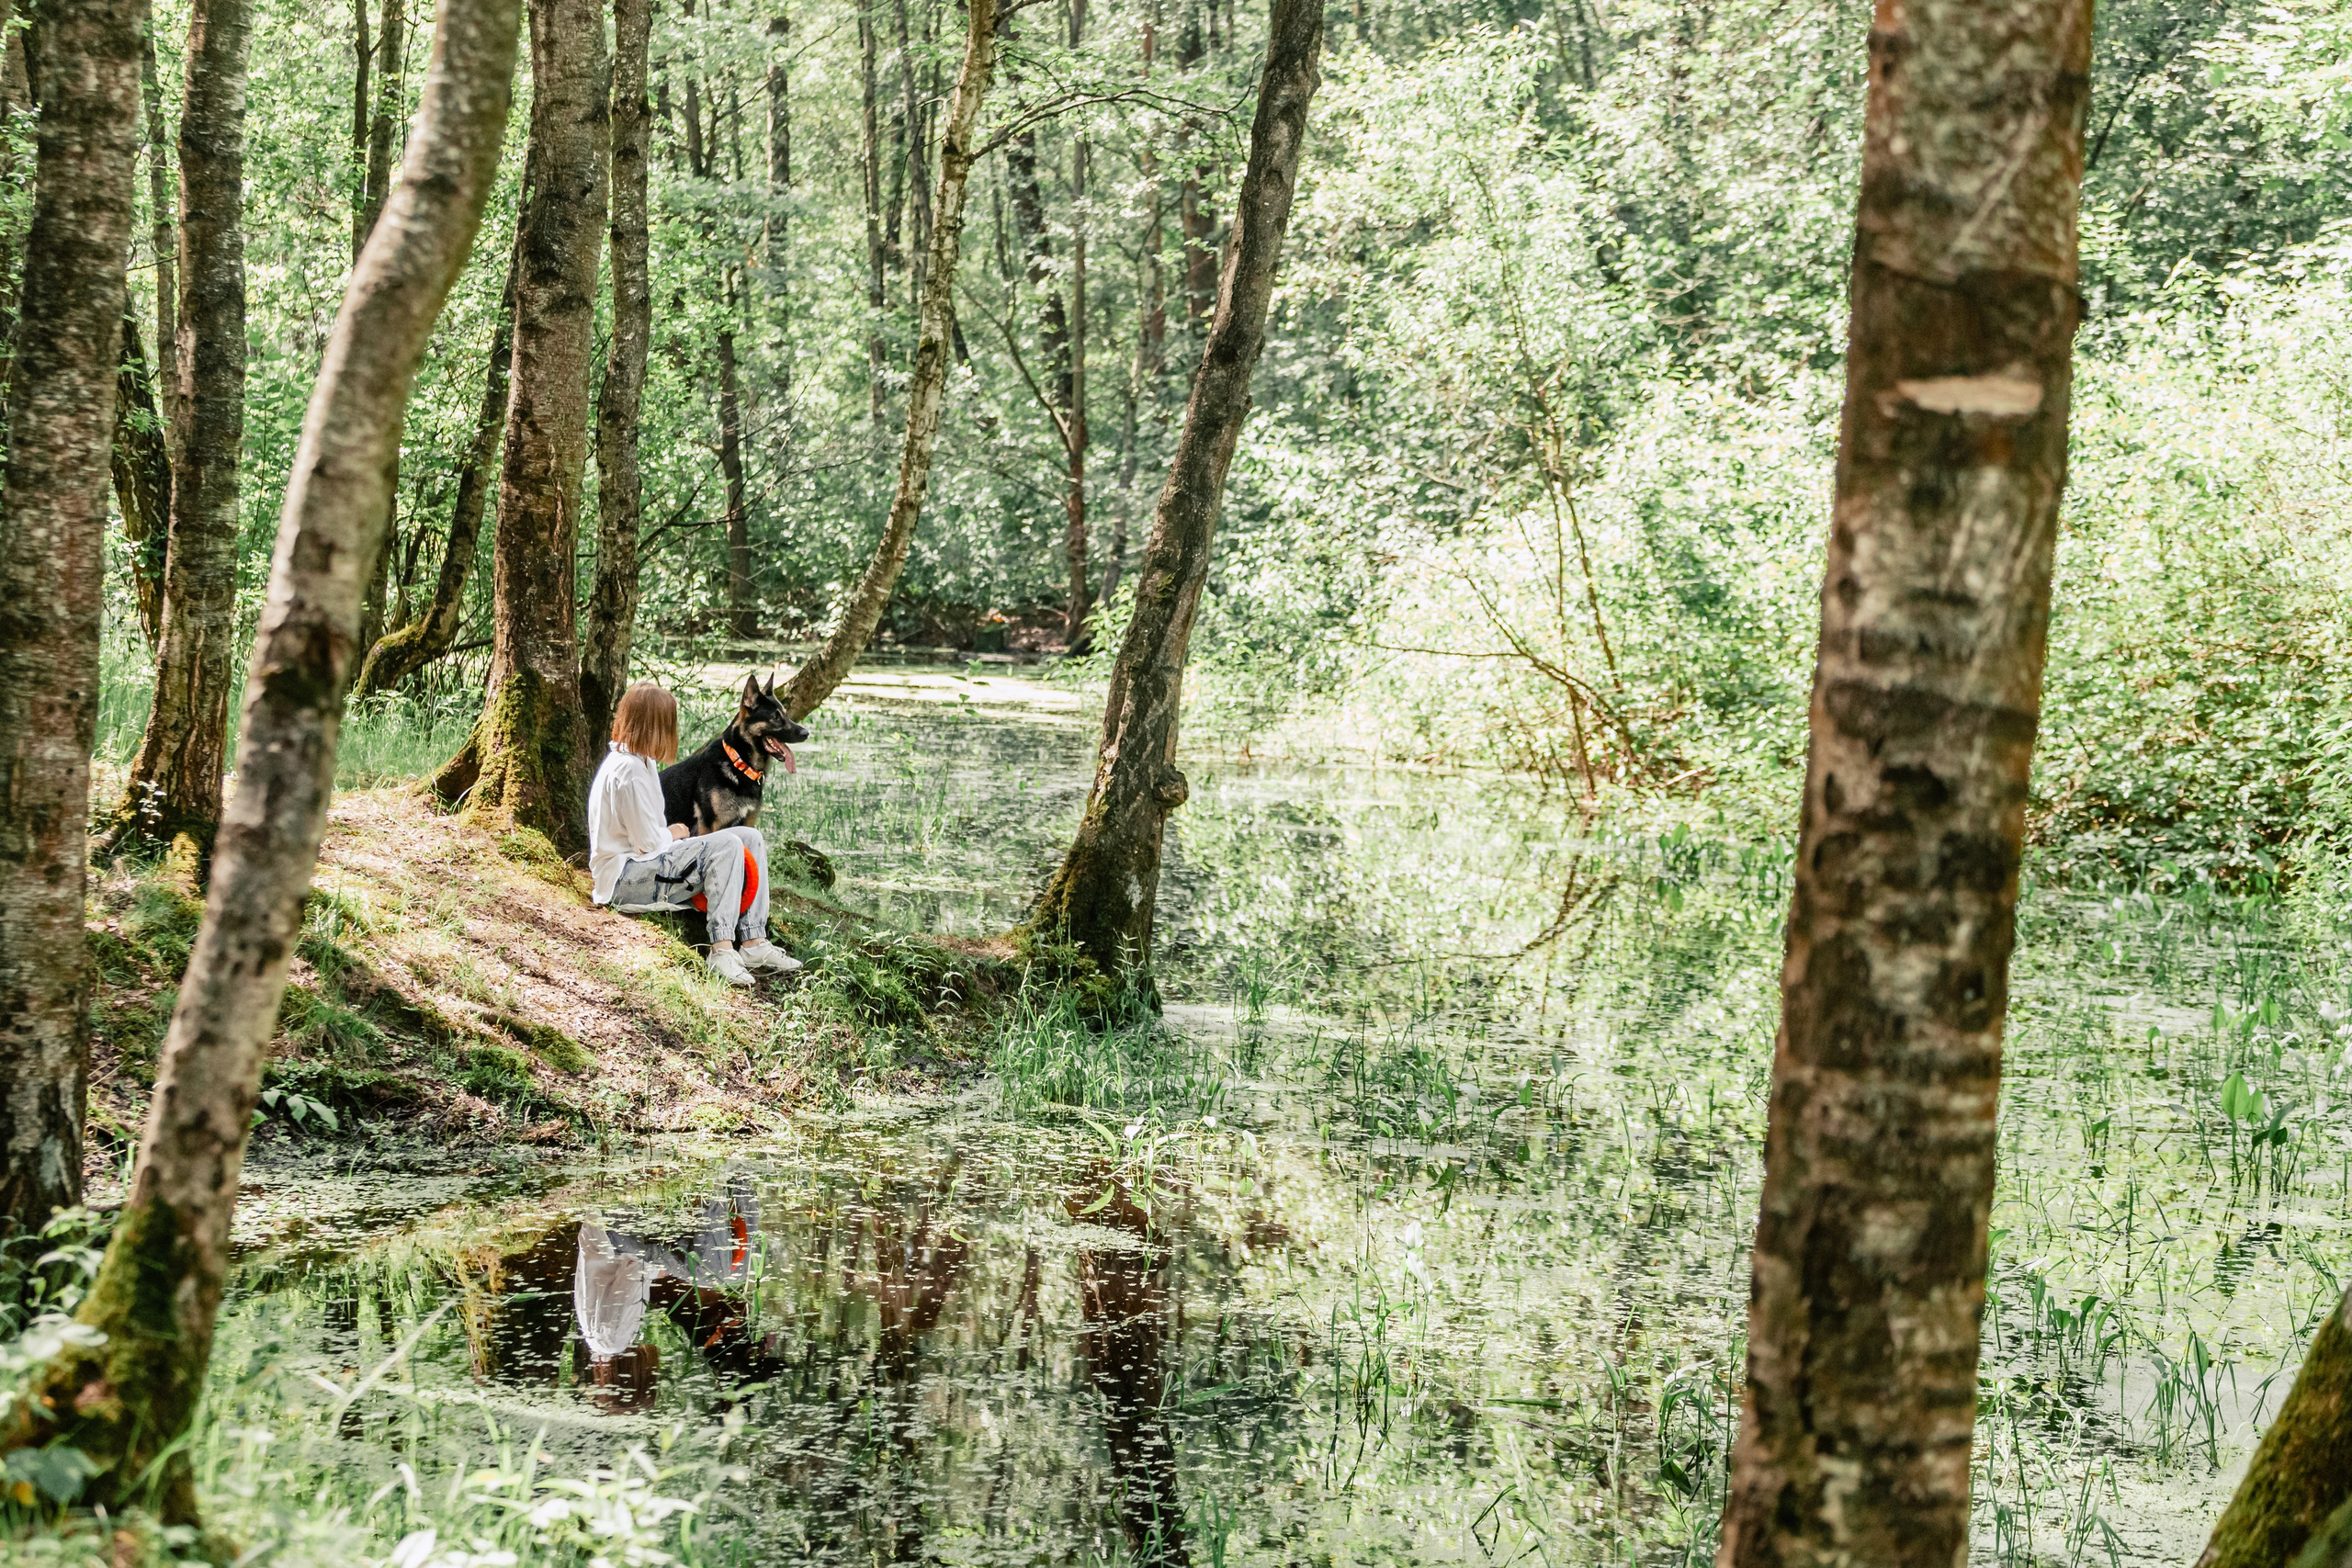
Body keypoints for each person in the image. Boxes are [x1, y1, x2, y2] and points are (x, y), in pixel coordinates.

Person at [588, 681, 802, 987]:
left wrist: (673, 837)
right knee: (727, 843)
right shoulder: (628, 772)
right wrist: (674, 833)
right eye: (667, 724)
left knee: (749, 838)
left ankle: (754, 941)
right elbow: (648, 843)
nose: (670, 731)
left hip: (643, 866)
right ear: (652, 726)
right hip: (623, 880)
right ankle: (722, 949)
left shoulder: (642, 763)